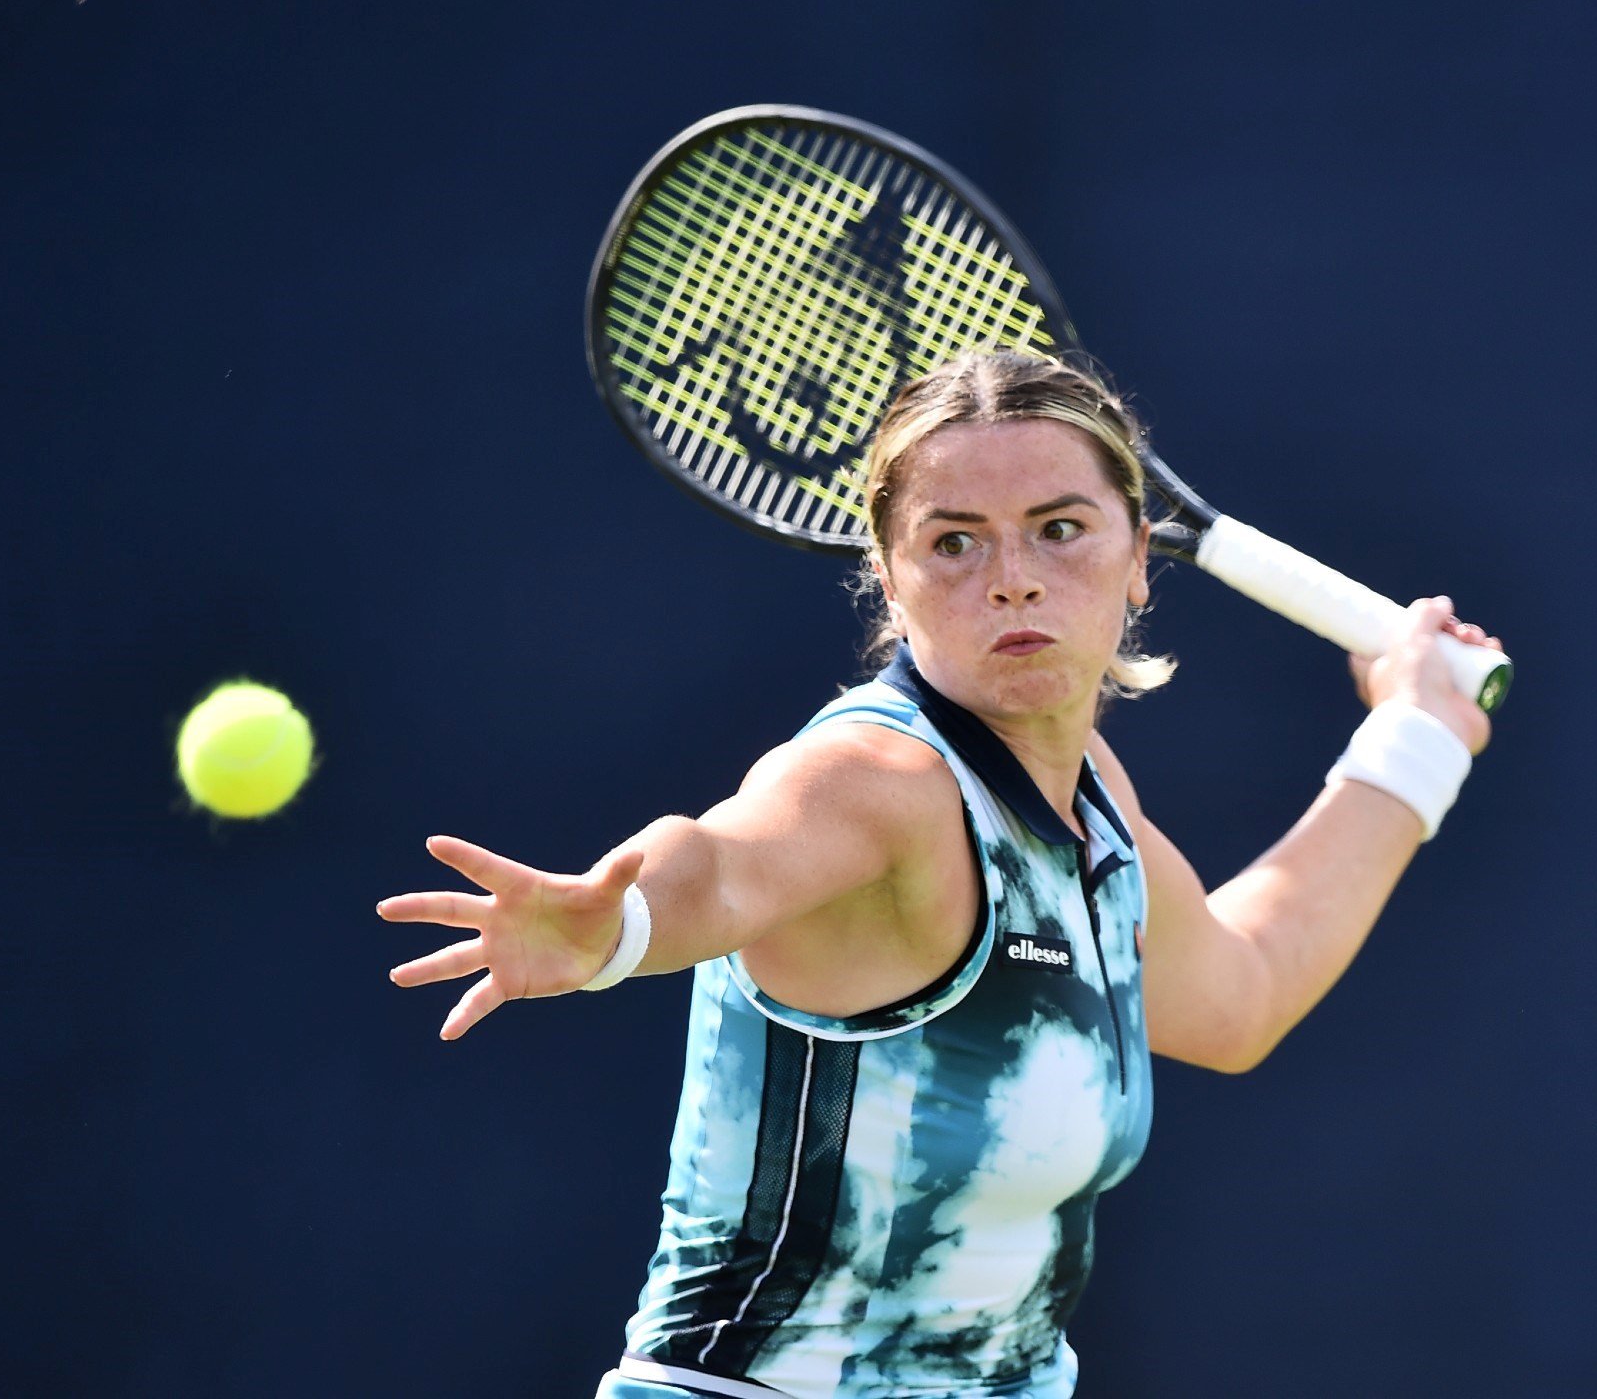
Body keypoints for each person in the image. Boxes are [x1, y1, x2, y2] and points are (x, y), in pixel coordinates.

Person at [377, 352, 1501, 1398]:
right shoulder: (877, 779)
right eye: (953, 542)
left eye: (1058, 528)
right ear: (888, 575)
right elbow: (720, 865)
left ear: (1138, 560)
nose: (1011, 579)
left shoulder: (1088, 795)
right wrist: (617, 926)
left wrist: (1418, 737)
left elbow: (1241, 991)